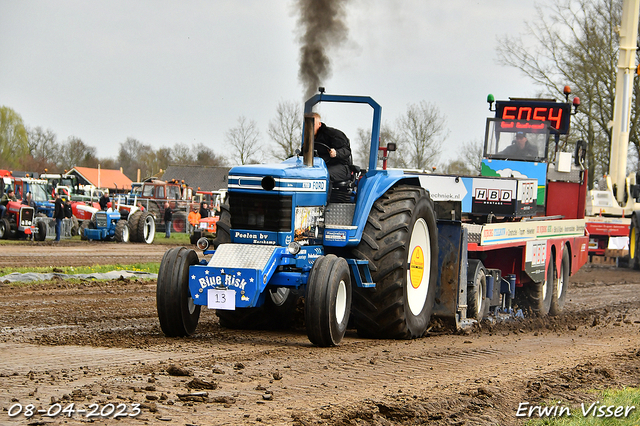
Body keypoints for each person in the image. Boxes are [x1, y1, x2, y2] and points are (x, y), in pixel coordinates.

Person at [307, 112, 352, 182]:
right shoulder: (309, 139)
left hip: (340, 166)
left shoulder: (333, 134)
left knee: (323, 174)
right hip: (319, 166)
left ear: (319, 124)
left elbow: (346, 151)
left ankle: (325, 193)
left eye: (313, 125)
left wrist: (336, 153)